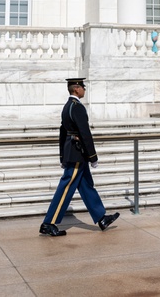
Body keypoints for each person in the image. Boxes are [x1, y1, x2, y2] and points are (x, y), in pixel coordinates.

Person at [40, 78, 119, 237]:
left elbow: (63, 133)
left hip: (73, 152)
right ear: (76, 89)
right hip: (78, 153)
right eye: (83, 87)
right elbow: (85, 133)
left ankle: (101, 218)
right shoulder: (77, 108)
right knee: (66, 187)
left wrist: (63, 156)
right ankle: (49, 223)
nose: (84, 89)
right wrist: (93, 156)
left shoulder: (67, 106)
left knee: (86, 186)